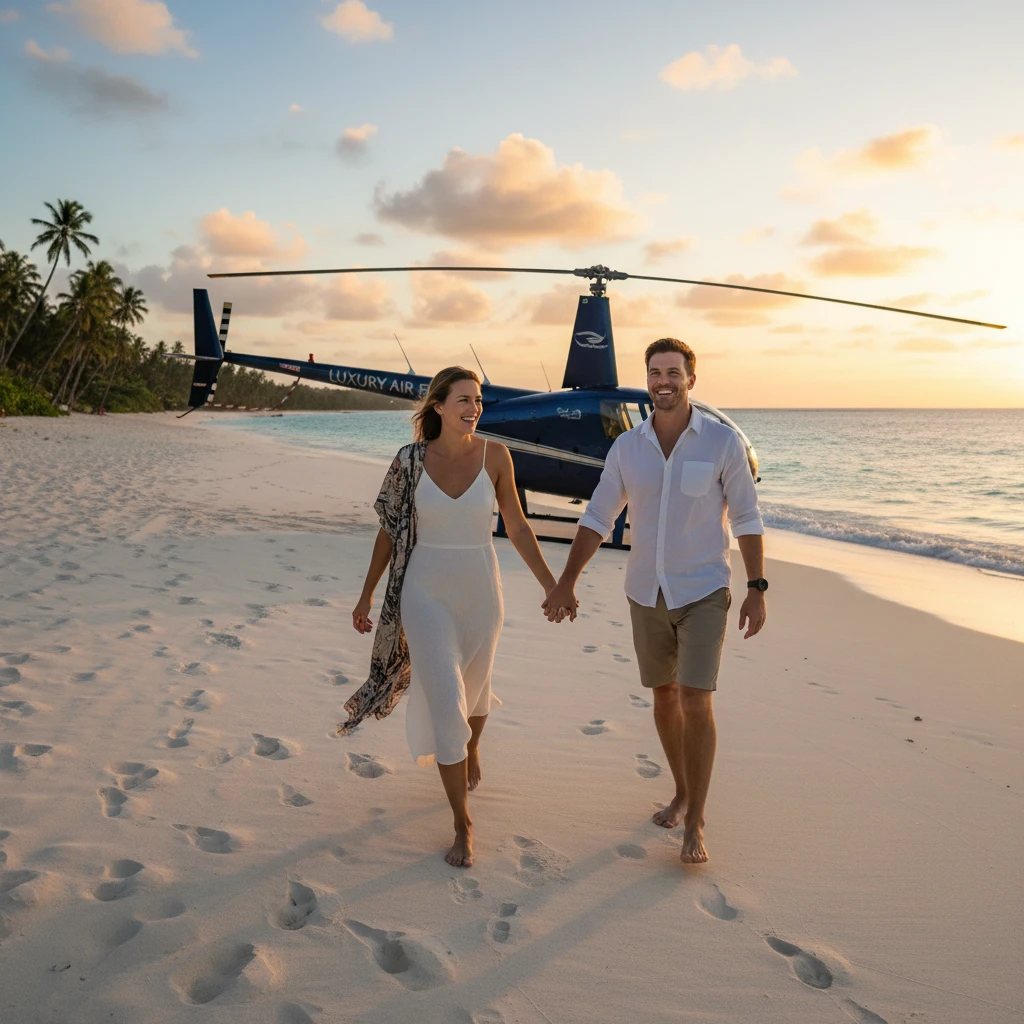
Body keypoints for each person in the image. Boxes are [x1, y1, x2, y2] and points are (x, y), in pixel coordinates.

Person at [543, 338, 767, 865]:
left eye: (673, 372)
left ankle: (696, 819)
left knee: (695, 698)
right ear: (647, 380)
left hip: (703, 590)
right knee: (663, 696)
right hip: (646, 592)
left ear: (692, 378)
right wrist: (566, 581)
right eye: (654, 373)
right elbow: (598, 516)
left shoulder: (722, 443)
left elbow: (747, 518)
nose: (662, 381)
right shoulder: (627, 448)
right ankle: (682, 790)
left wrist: (757, 589)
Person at [341, 367, 563, 868]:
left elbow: (519, 527)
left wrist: (552, 585)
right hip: (424, 591)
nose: (475, 407)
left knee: (477, 689)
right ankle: (463, 823)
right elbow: (389, 532)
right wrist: (366, 596)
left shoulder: (496, 456)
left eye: (479, 400)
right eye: (465, 399)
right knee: (446, 699)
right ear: (438, 406)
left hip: (482, 590)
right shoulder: (409, 461)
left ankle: (473, 748)